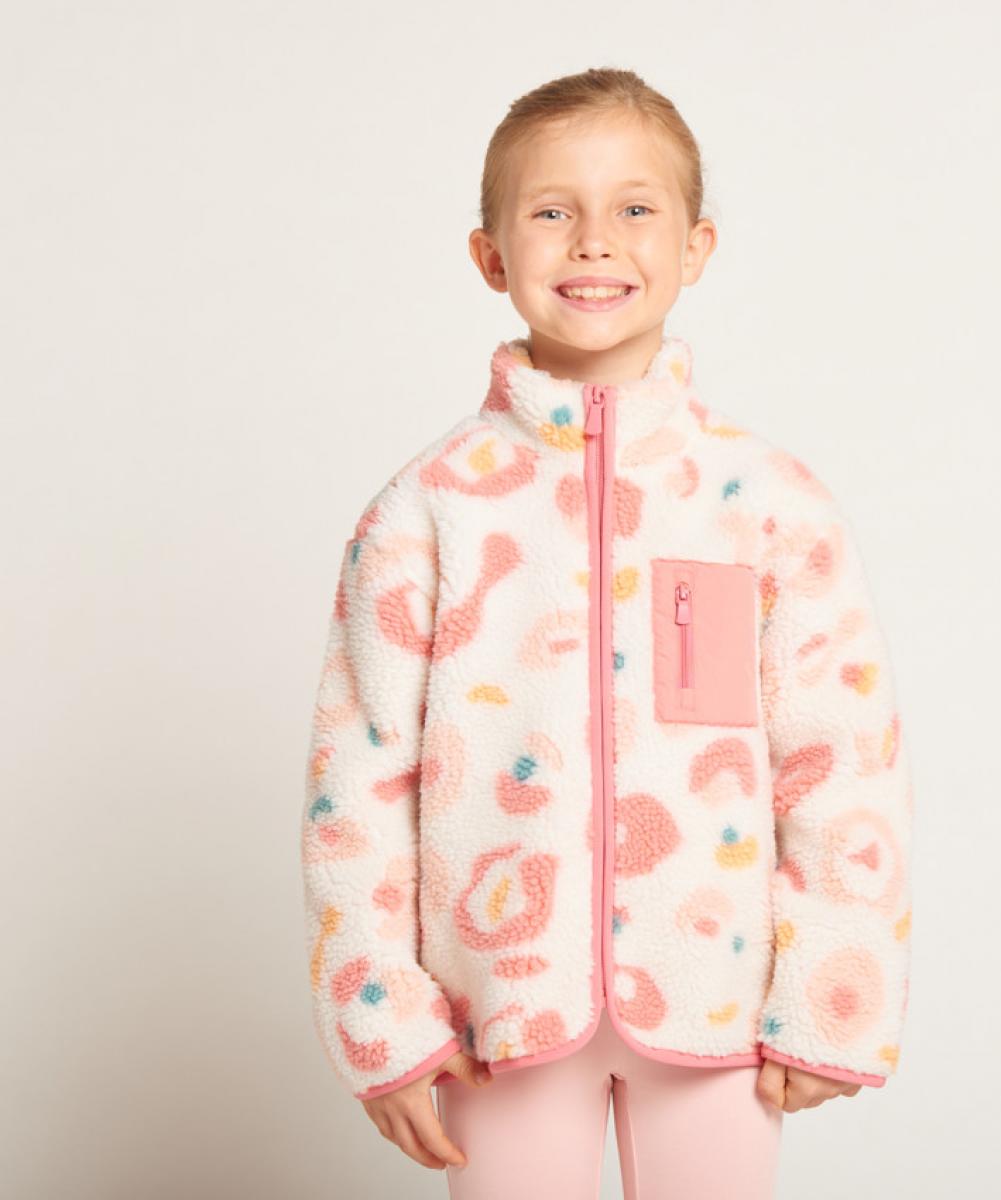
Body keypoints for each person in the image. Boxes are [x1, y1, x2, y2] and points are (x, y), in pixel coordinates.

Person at [300, 66, 914, 1200]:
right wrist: (380, 1014)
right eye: (551, 211)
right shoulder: (426, 511)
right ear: (490, 256)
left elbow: (840, 759)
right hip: (498, 1015)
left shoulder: (766, 503)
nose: (594, 241)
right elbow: (359, 780)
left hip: (719, 1005)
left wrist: (835, 988)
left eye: (635, 207)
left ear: (696, 247)